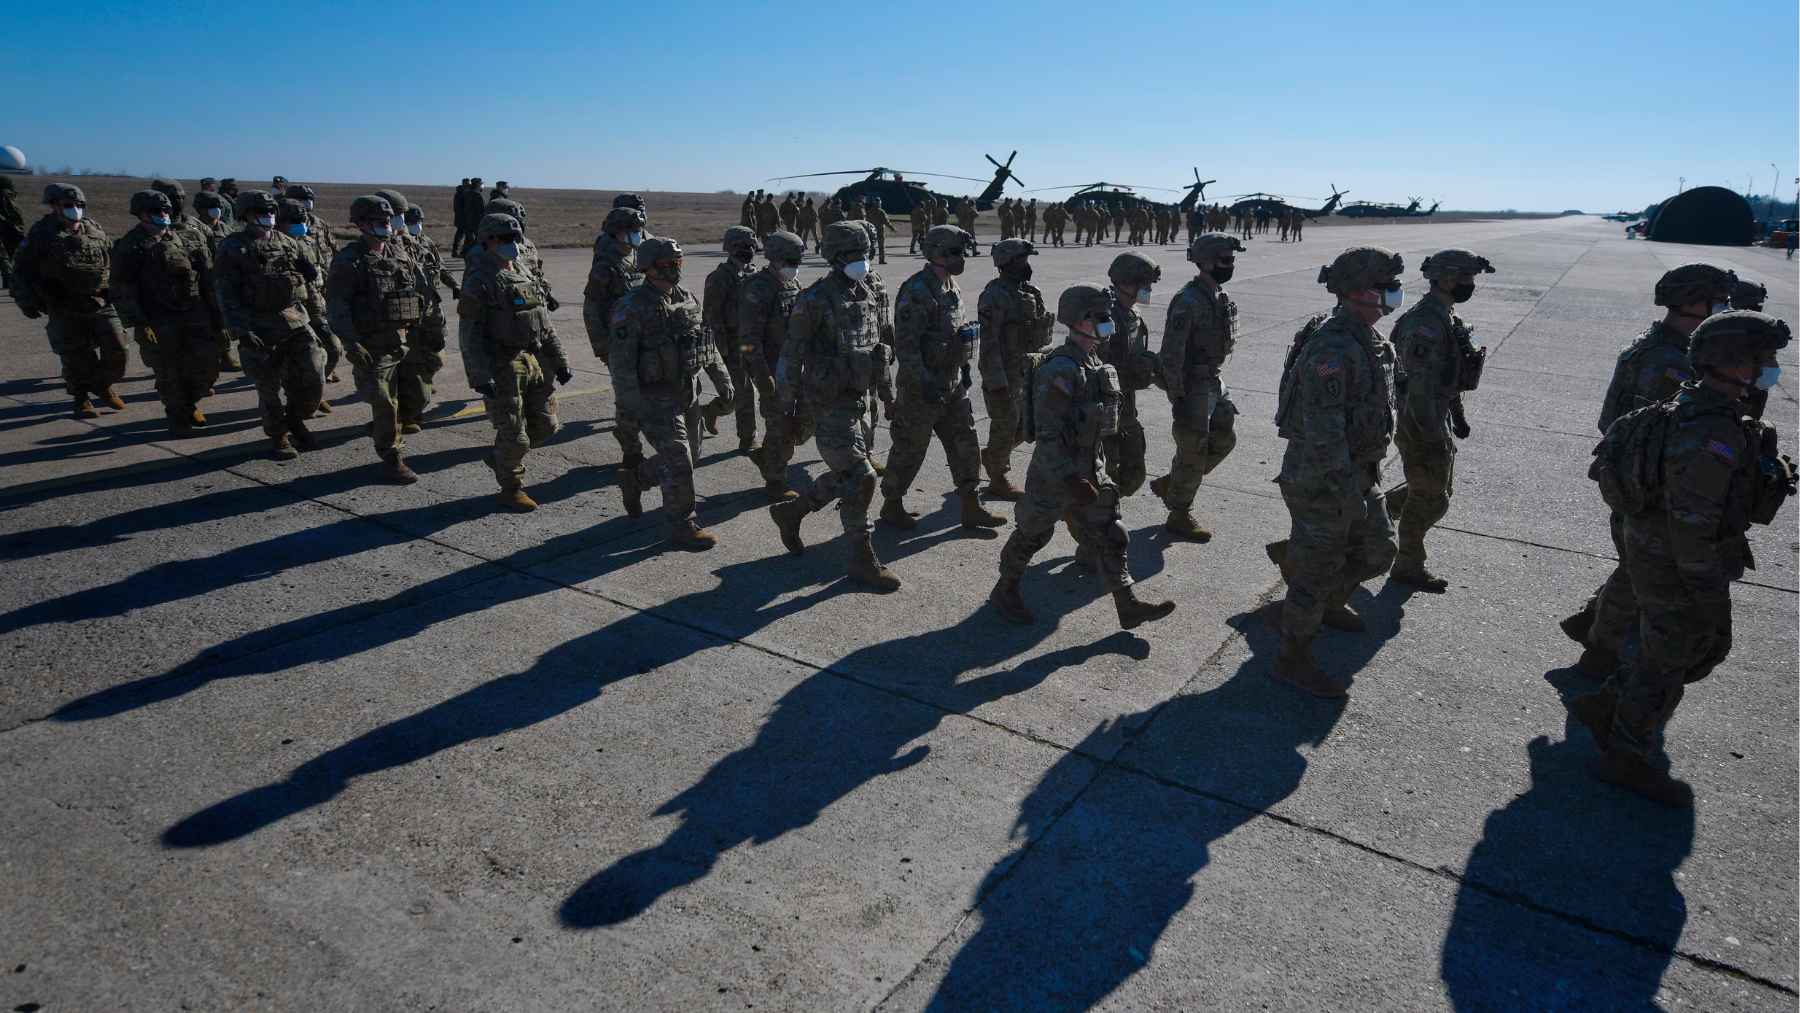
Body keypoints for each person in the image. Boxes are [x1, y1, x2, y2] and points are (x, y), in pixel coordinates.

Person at [1571, 311, 1793, 806]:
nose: (1773, 368)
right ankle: (1627, 756)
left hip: (1654, 550)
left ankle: (1606, 705)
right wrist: (1709, 594)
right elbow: (1692, 526)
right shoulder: (1709, 435)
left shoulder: (1699, 407)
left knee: (1661, 649)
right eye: (1765, 360)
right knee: (1675, 657)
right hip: (1676, 561)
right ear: (1735, 364)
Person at [1560, 264, 1736, 679]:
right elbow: (1663, 436)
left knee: (1636, 565)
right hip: (1647, 485)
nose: (1725, 307)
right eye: (1719, 301)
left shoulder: (1667, 346)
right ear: (1695, 302)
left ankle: (1592, 625)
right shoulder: (1670, 362)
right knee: (1640, 571)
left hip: (1638, 479)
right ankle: (1599, 653)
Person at [988, 283, 1178, 629]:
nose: (1108, 323)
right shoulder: (1060, 369)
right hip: (1056, 473)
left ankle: (1128, 604)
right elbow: (1048, 435)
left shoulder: (1095, 363)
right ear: (1078, 320)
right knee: (1033, 534)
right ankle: (1005, 589)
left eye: (1108, 316)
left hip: (1092, 467)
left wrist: (1096, 471)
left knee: (1112, 533)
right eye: (1100, 317)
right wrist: (1072, 478)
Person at [1265, 247, 1404, 697]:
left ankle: (1321, 599)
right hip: (1323, 477)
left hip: (1360, 470)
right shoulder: (1333, 346)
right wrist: (1347, 492)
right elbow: (1322, 431)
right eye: (1385, 287)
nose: (1393, 295)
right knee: (1315, 571)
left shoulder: (1370, 338)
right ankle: (1293, 657)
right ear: (1358, 292)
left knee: (1380, 549)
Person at [767, 222, 903, 591]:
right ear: (834, 257)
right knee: (862, 477)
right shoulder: (813, 300)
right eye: (852, 255)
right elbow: (790, 358)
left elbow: (879, 352)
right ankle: (862, 560)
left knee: (850, 477)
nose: (861, 261)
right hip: (827, 404)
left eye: (864, 254)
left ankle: (793, 511)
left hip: (859, 400)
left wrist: (888, 398)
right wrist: (788, 411)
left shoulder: (868, 294)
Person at [880, 225, 1007, 532]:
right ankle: (892, 504)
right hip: (921, 389)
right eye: (953, 253)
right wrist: (924, 383)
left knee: (966, 443)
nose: (960, 258)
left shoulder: (952, 286)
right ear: (935, 253)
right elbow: (907, 348)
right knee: (910, 449)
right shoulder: (917, 291)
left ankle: (970, 504)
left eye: (961, 252)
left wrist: (962, 372)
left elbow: (957, 335)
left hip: (951, 385)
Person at [608, 237, 730, 548]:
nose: (674, 269)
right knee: (678, 459)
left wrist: (722, 380)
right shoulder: (630, 307)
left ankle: (634, 479)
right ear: (648, 268)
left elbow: (706, 345)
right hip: (653, 398)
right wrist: (632, 407)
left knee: (686, 458)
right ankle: (682, 524)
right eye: (667, 264)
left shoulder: (687, 298)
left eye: (678, 262)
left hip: (687, 392)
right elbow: (621, 366)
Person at [1385, 249, 1495, 590]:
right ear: (1446, 279)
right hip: (1421, 421)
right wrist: (1431, 436)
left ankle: (1375, 510)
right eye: (1466, 279)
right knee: (1432, 496)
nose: (1470, 285)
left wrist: (1457, 416)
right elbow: (1417, 388)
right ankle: (1407, 565)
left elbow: (1448, 378)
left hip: (1437, 415)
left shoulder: (1448, 318)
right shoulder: (1425, 325)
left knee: (1435, 488)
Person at [457, 212, 571, 511]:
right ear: (489, 241)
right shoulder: (480, 280)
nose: (513, 244)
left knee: (547, 426)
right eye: (506, 239)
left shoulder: (522, 270)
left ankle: (500, 457)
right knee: (514, 435)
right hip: (501, 364)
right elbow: (470, 332)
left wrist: (559, 360)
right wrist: (479, 375)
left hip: (534, 360)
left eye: (516, 238)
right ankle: (511, 487)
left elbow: (543, 321)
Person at [326, 195, 433, 483]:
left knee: (419, 397)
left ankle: (381, 427)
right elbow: (337, 306)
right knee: (386, 402)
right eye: (377, 221)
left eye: (387, 220)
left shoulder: (399, 251)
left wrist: (424, 324)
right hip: (372, 343)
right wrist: (351, 343)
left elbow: (419, 290)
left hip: (403, 338)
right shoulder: (350, 260)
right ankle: (391, 456)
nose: (386, 225)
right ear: (360, 224)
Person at [1149, 232, 1246, 541]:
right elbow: (1171, 351)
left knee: (1225, 439)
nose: (1230, 265)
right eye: (1224, 260)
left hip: (1214, 381)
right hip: (1193, 384)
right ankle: (1179, 513)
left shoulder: (1219, 295)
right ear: (1204, 262)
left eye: (1232, 260)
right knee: (1193, 450)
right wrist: (1176, 391)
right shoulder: (1187, 300)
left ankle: (1173, 484)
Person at [215, 190, 326, 460]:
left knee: (313, 376)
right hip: (257, 324)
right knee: (269, 387)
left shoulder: (288, 242)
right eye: (262, 213)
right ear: (246, 216)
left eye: (271, 212)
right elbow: (225, 292)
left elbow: (311, 274)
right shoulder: (233, 247)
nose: (269, 217)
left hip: (294, 319)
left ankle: (296, 417)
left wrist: (311, 270)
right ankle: (279, 435)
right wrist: (240, 328)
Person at [11, 183, 129, 418]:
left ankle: (102, 384)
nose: (75, 209)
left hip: (100, 302)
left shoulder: (93, 228)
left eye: (79, 205)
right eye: (68, 205)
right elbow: (21, 271)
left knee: (118, 351)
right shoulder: (41, 234)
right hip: (64, 305)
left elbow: (111, 257)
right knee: (76, 356)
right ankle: (81, 398)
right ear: (54, 206)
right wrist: (26, 301)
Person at [109, 188, 220, 431]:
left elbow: (207, 276)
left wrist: (216, 312)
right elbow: (121, 287)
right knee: (169, 371)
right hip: (158, 318)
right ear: (141, 215)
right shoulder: (131, 245)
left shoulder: (188, 237)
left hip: (194, 312)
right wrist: (139, 322)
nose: (163, 214)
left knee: (208, 365)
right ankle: (177, 414)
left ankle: (189, 402)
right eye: (156, 211)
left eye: (166, 210)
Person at [976, 238, 1052, 501]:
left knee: (1026, 427)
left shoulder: (1032, 292)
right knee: (1005, 425)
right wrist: (996, 380)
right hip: (1004, 375)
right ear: (1006, 263)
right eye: (1022, 260)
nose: (1027, 265)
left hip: (1029, 372)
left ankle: (994, 454)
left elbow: (1042, 336)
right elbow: (988, 343)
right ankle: (998, 478)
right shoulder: (993, 296)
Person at [1099, 252, 1164, 496]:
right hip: (1105, 408)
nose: (1148, 289)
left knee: (1134, 472)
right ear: (1125, 282)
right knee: (1106, 469)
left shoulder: (1133, 313)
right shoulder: (1106, 316)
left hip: (1126, 405)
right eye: (1143, 284)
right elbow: (1098, 358)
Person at [276, 198, 342, 400]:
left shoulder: (307, 242)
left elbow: (321, 271)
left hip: (315, 306)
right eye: (294, 220)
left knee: (333, 348)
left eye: (302, 220)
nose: (300, 225)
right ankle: (305, 396)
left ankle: (313, 390)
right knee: (298, 359)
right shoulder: (271, 247)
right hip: (289, 313)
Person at [703, 226, 759, 450]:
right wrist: (721, 350)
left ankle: (712, 410)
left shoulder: (754, 275)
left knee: (738, 395)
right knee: (745, 393)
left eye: (751, 246)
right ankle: (748, 439)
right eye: (743, 247)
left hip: (751, 344)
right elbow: (711, 315)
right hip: (730, 344)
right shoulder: (719, 278)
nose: (748, 251)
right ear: (730, 248)